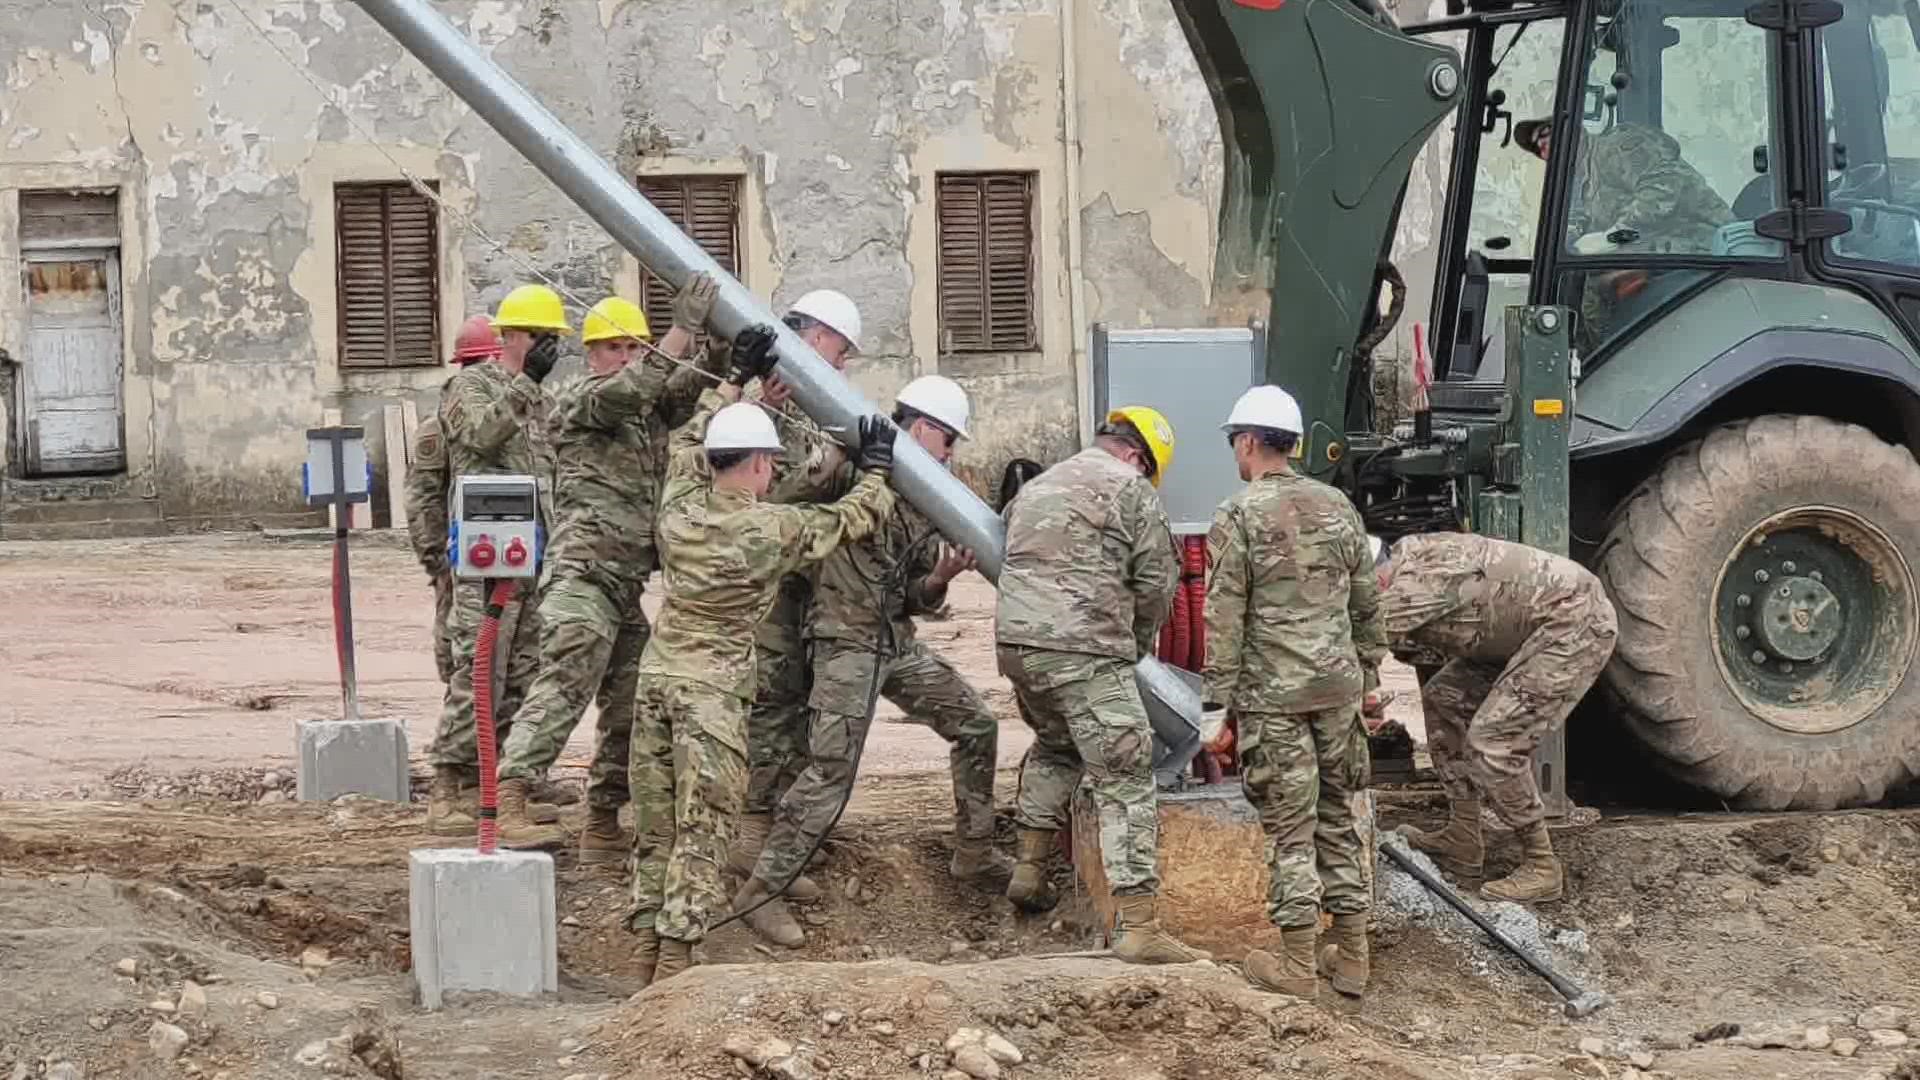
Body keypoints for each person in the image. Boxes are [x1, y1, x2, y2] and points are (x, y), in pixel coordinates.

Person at [626, 323, 898, 986]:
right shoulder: (763, 527)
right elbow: (848, 519)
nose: (774, 473)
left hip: (657, 681)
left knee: (656, 823)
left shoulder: (679, 507)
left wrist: (730, 384)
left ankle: (642, 949)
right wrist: (879, 467)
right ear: (753, 464)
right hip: (713, 696)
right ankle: (675, 961)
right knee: (705, 825)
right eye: (770, 463)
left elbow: (690, 441)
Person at [735, 375, 1006, 947]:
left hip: (893, 641)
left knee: (977, 723)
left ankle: (974, 853)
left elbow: (911, 593)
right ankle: (761, 890)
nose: (952, 454)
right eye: (948, 440)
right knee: (831, 770)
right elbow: (782, 507)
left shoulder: (923, 501)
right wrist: (841, 455)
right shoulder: (853, 467)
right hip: (843, 644)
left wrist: (939, 577)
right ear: (924, 429)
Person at [494, 276, 725, 859]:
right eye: (614, 348)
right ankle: (510, 800)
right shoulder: (581, 402)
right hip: (582, 579)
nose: (625, 357)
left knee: (631, 706)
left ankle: (602, 821)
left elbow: (683, 390)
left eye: (633, 347)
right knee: (563, 687)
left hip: (622, 589)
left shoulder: (646, 407)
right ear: (591, 353)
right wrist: (681, 330)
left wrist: (723, 352)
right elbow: (633, 389)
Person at [995, 405, 1209, 965]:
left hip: (1016, 646)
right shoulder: (1130, 490)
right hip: (1082, 649)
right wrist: (1133, 646)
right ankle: (1139, 927)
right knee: (1126, 770)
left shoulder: (1038, 485)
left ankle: (1029, 868)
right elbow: (1159, 584)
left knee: (1056, 744)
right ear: (1139, 458)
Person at [1203, 385, 1386, 1009]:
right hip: (1338, 690)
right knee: (1337, 815)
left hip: (1274, 699)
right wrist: (1370, 677)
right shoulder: (1338, 506)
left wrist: (1213, 704)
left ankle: (1297, 963)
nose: (1236, 452)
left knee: (1290, 829)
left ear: (1249, 442)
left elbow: (1223, 614)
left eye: (1235, 441)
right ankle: (1354, 958)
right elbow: (1366, 601)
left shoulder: (1238, 514)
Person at [1376, 531, 1619, 903]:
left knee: (1494, 742)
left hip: (1572, 624)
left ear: (1375, 579)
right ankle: (1463, 836)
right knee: (1445, 699)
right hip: (1517, 632)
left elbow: (1357, 648)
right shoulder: (1407, 563)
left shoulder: (1413, 586)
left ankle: (1542, 865)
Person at [729, 288, 867, 902]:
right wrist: (828, 469)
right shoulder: (764, 414)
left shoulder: (804, 406)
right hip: (769, 586)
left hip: (800, 583)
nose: (841, 367)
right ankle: (751, 837)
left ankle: (776, 843)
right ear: (813, 339)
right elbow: (760, 506)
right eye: (840, 352)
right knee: (773, 706)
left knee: (794, 707)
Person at [424, 284, 566, 837]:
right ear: (516, 337)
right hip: (489, 557)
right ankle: (448, 785)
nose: (552, 350)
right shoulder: (471, 386)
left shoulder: (544, 401)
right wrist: (525, 384)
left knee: (526, 671)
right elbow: (479, 437)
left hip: (535, 552)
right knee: (481, 669)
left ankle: (505, 782)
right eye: (544, 339)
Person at [406, 314, 501, 685]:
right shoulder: (440, 429)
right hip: (461, 558)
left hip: (511, 559)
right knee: (465, 657)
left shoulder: (509, 421)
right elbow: (423, 499)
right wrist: (439, 564)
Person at [1513, 117, 1730, 256]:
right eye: (1539, 150)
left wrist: (1613, 237)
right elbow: (1583, 222)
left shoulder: (1613, 147)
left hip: (1706, 254)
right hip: (1664, 259)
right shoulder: (1585, 181)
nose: (1544, 149)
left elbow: (1663, 186)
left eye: (1545, 134)